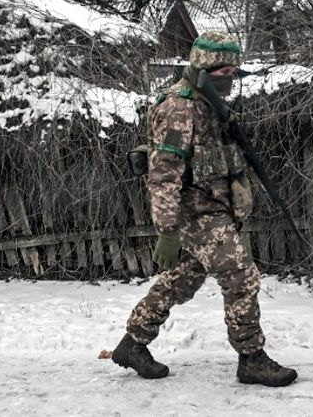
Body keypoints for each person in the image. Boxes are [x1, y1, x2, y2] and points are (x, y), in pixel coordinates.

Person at [109, 31, 297, 387]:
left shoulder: (209, 102)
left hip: (216, 208)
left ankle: (132, 344)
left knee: (181, 280)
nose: (230, 79)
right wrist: (167, 231)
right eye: (224, 72)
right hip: (197, 212)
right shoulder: (178, 108)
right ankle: (251, 358)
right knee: (241, 277)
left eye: (232, 72)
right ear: (205, 68)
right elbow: (164, 174)